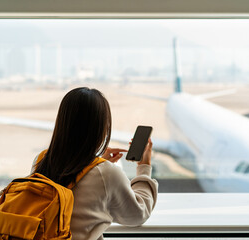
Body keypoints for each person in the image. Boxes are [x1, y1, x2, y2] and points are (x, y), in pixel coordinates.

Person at [33, 87, 158, 240]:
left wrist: (96, 165)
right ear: (101, 129)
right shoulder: (106, 174)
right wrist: (144, 167)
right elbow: (138, 214)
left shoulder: (41, 160)